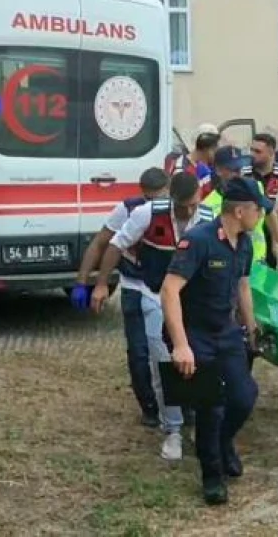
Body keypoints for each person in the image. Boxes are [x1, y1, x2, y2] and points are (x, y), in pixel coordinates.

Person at [91, 172, 213, 462]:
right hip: (154, 295)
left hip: (193, 301)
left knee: (202, 358)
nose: (188, 212)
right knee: (163, 362)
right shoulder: (147, 214)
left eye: (193, 204)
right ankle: (172, 428)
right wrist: (100, 283)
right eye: (182, 206)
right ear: (172, 200)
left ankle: (199, 420)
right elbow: (115, 245)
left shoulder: (209, 218)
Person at [161, 177, 266, 505]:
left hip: (227, 332)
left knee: (244, 396)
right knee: (212, 407)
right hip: (197, 335)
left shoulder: (245, 242)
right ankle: (212, 475)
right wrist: (180, 344)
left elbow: (243, 284)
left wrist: (251, 325)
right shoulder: (198, 242)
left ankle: (222, 443)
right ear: (239, 211)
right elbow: (169, 290)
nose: (261, 216)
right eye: (257, 210)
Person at [70, 166, 170, 428]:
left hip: (168, 290)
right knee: (138, 352)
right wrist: (86, 282)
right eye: (148, 198)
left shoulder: (179, 211)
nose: (152, 205)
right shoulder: (129, 210)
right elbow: (101, 243)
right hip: (135, 286)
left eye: (156, 198)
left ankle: (178, 406)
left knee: (172, 349)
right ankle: (149, 407)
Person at [204, 145, 278, 268]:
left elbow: (269, 211)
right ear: (218, 170)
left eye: (240, 168)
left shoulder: (255, 187)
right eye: (233, 169)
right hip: (229, 266)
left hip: (258, 263)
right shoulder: (208, 205)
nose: (239, 173)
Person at [243, 133, 278, 268]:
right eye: (251, 150)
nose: (252, 154)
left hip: (277, 236)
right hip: (251, 237)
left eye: (257, 151)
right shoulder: (244, 174)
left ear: (271, 153)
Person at [166, 131, 219, 198]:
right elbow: (181, 198)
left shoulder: (203, 168)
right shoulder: (181, 168)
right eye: (215, 151)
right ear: (207, 150)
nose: (218, 154)